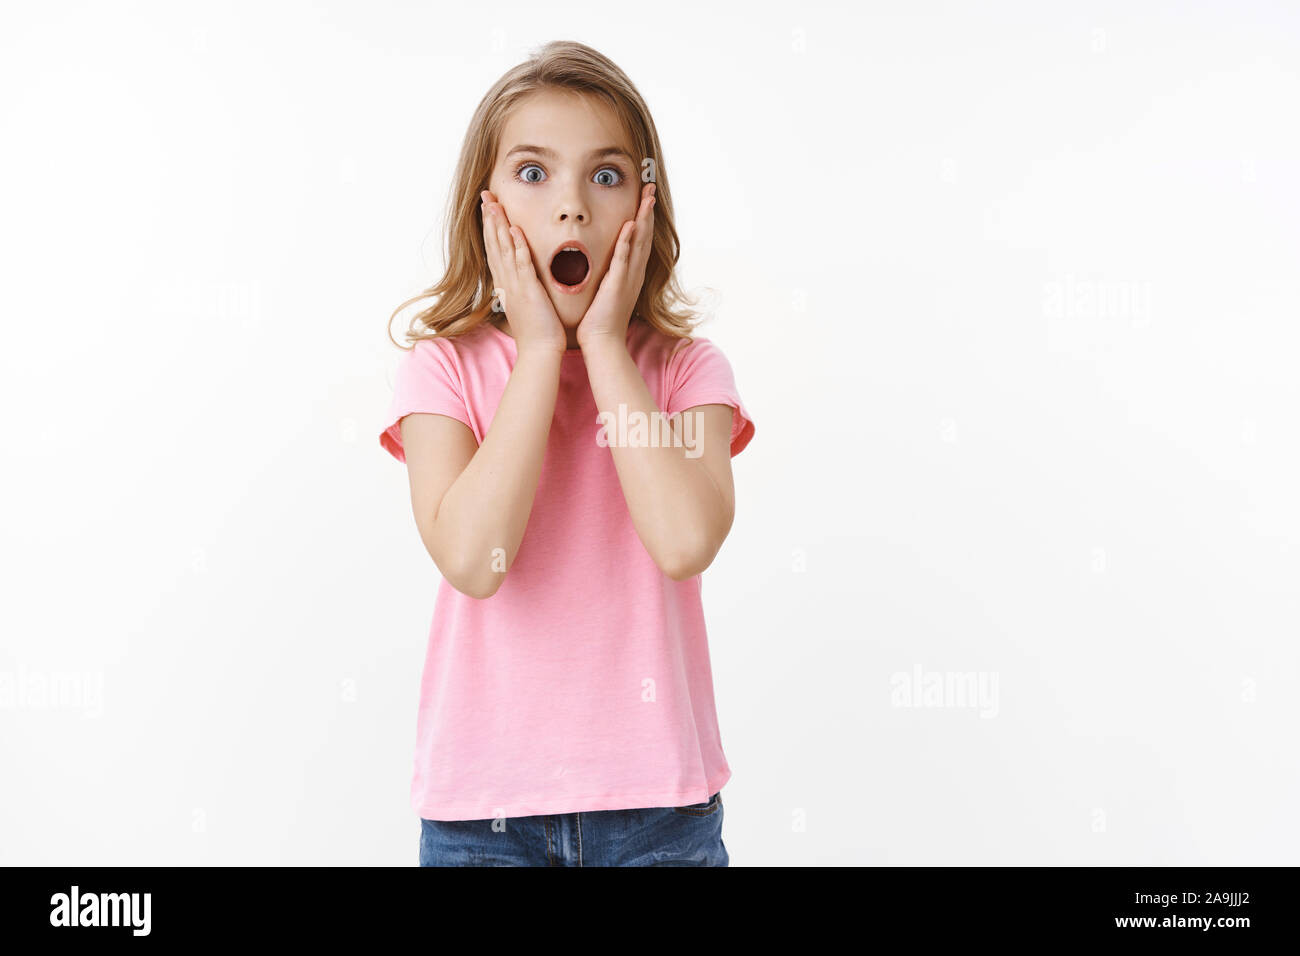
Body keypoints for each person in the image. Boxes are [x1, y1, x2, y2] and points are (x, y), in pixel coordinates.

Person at [379, 40, 755, 866]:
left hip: (663, 814)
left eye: (607, 175)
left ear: (645, 208)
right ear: (487, 207)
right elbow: (476, 561)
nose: (573, 208)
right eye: (534, 172)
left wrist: (610, 352)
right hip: (484, 821)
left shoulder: (688, 370)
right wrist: (542, 355)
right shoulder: (441, 369)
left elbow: (686, 541)